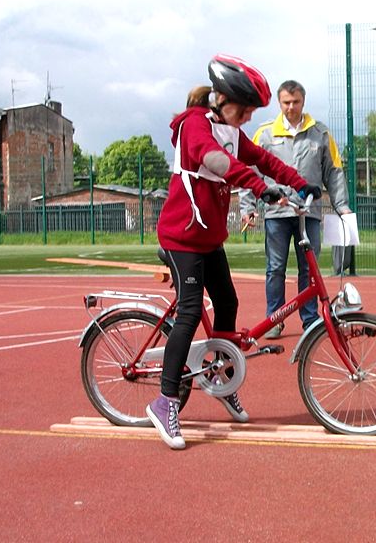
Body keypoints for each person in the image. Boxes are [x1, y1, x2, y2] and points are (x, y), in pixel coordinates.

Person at [147, 55, 320, 450]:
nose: (244, 119)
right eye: (241, 111)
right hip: (182, 236)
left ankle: (222, 381)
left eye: (249, 113)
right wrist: (260, 189)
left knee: (228, 301)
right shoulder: (195, 126)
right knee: (191, 311)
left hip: (208, 238)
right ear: (220, 99)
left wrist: (298, 182)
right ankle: (165, 401)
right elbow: (218, 162)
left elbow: (262, 159)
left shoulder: (230, 130)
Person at [240, 80, 351, 339]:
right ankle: (274, 319)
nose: (291, 107)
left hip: (308, 213)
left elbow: (334, 173)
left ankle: (310, 320)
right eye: (286, 103)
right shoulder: (265, 134)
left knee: (309, 269)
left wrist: (342, 206)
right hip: (277, 214)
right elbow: (249, 172)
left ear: (303, 101)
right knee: (275, 267)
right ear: (279, 104)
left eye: (295, 102)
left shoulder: (320, 133)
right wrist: (248, 207)